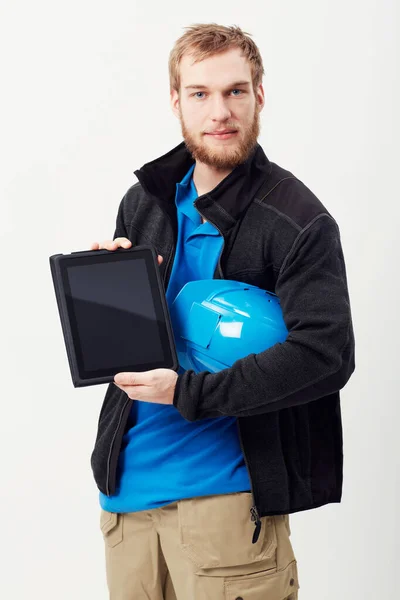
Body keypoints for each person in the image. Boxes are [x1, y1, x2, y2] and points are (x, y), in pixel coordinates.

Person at [90, 23, 355, 600]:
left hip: (225, 507)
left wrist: (189, 393)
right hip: (126, 505)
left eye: (236, 90)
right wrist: (106, 288)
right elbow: (133, 348)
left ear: (260, 94)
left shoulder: (297, 218)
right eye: (200, 93)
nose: (220, 112)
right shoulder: (143, 202)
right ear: (175, 100)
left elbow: (326, 354)